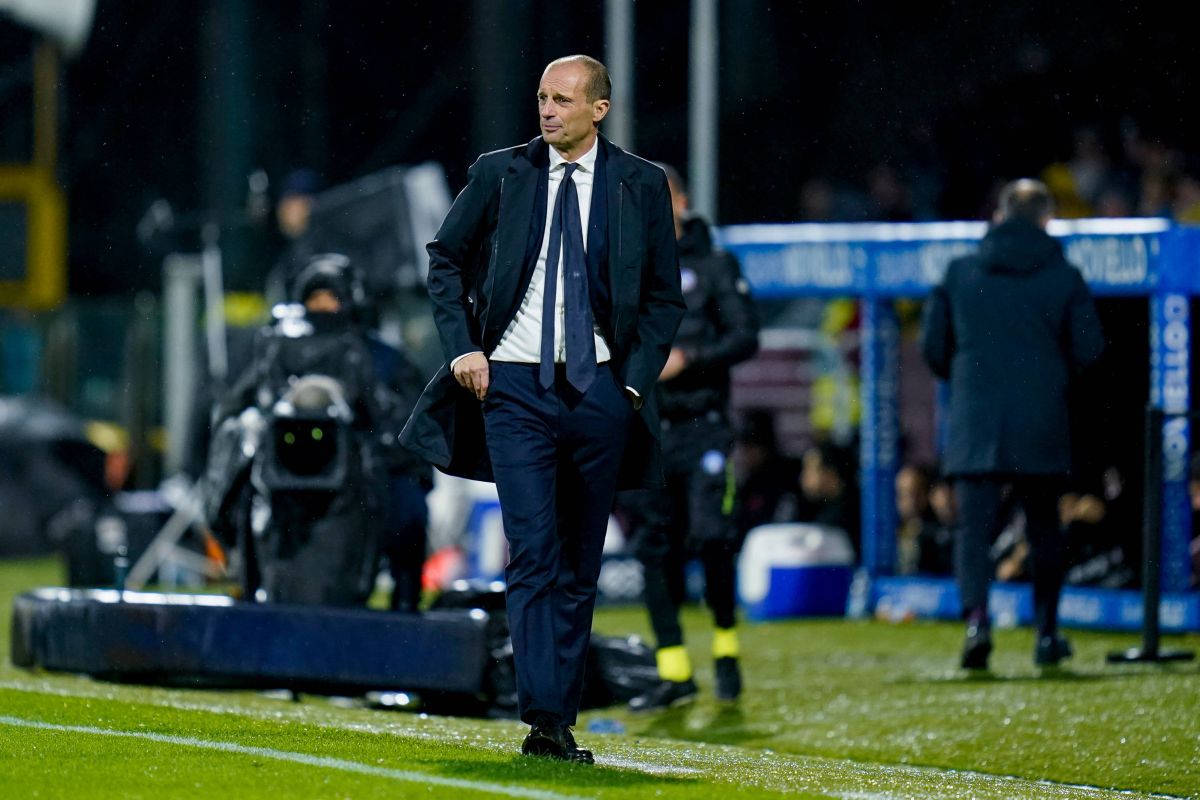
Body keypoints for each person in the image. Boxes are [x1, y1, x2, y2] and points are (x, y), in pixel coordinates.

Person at [401, 55, 684, 762]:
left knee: (579, 566)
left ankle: (559, 714)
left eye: (562, 100)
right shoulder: (502, 173)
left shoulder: (640, 184)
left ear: (599, 109)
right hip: (514, 390)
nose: (548, 111)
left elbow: (663, 297)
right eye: (541, 98)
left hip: (600, 393)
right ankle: (545, 721)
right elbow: (444, 259)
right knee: (531, 553)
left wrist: (632, 387)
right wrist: (464, 350)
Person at [920, 178, 1105, 669]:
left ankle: (977, 622)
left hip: (976, 417)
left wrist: (968, 380)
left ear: (998, 217)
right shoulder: (1064, 275)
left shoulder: (959, 272)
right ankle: (1046, 633)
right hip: (1040, 417)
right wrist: (1051, 378)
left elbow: (932, 347)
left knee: (973, 531)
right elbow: (1090, 349)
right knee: (1044, 528)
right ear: (1046, 220)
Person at [620, 163, 759, 711]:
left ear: (681, 202)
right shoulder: (625, 267)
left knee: (711, 536)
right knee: (655, 548)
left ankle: (726, 649)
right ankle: (673, 671)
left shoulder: (715, 265)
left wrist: (690, 358)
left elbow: (746, 336)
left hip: (704, 426)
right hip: (647, 427)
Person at [209, 257, 388, 607]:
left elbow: (381, 418)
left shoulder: (368, 354)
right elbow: (235, 408)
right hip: (277, 490)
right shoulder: (274, 347)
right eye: (314, 300)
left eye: (331, 300)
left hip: (344, 490)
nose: (322, 309)